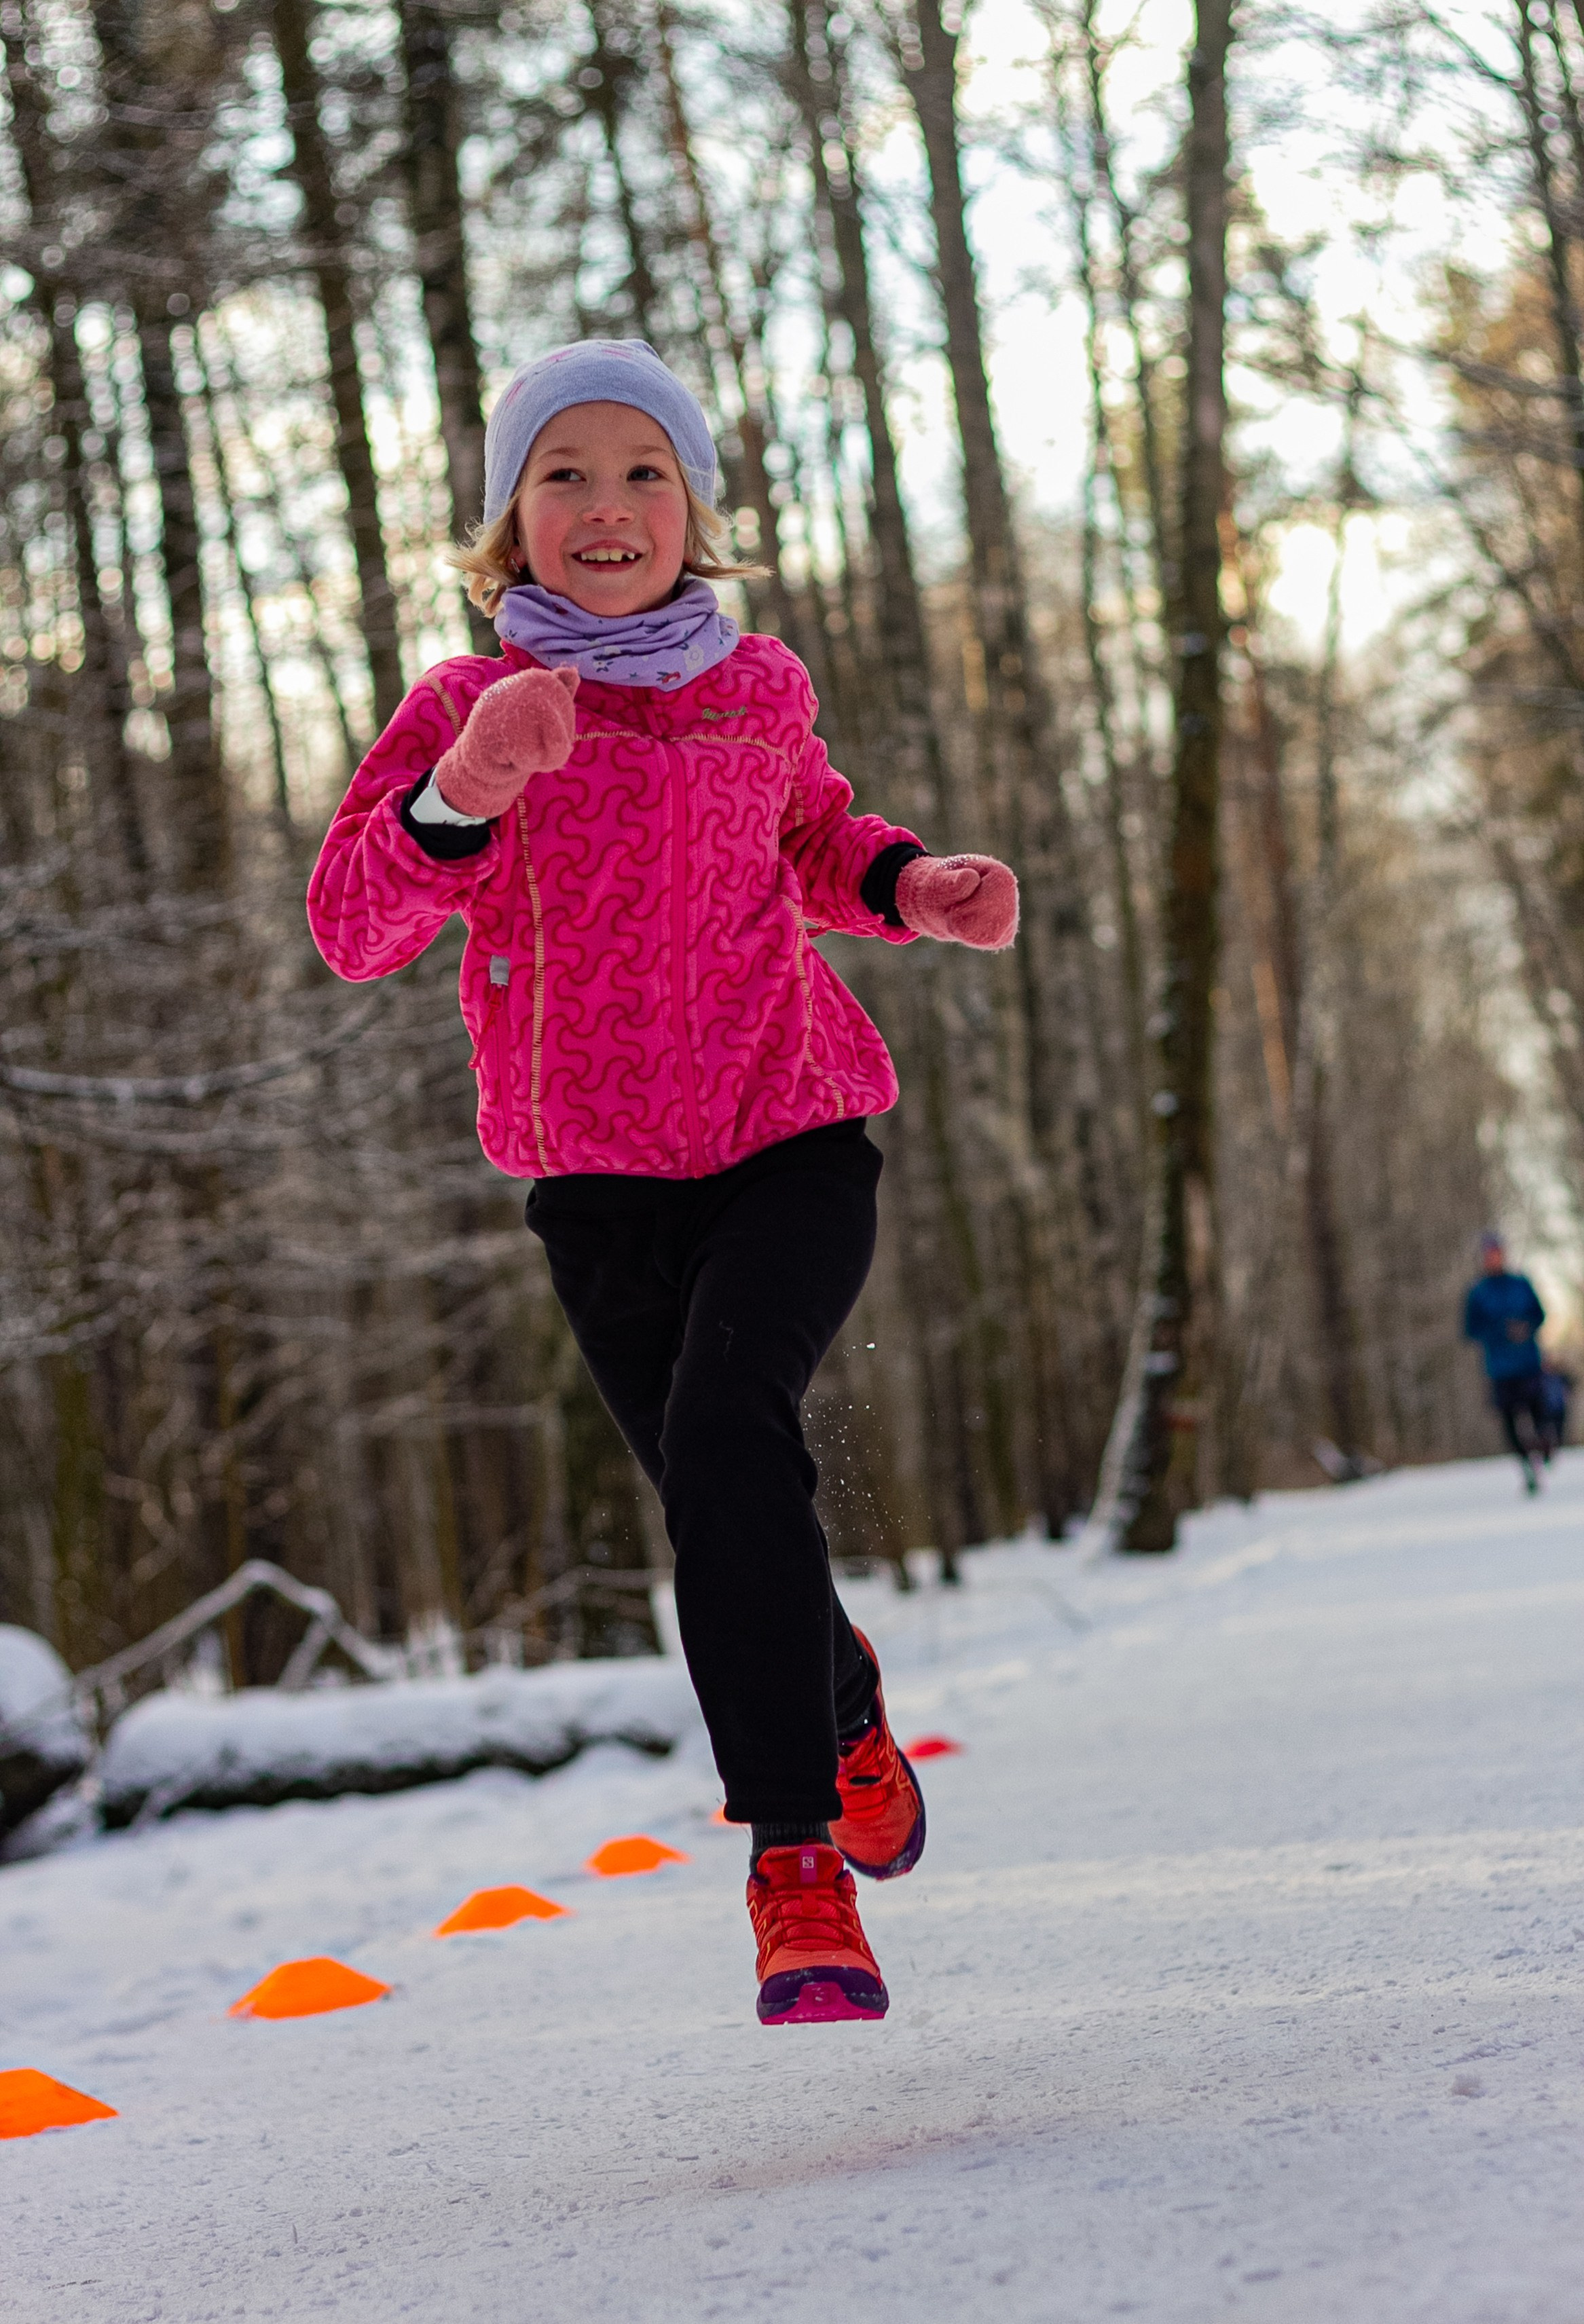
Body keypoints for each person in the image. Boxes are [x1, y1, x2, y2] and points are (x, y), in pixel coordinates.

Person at [307, 341, 1019, 2026]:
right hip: (597, 1184)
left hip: (790, 1128)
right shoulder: (456, 712)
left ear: (691, 504)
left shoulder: (756, 686)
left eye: (644, 472)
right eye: (564, 475)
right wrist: (466, 791)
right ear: (508, 520)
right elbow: (354, 923)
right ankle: (836, 1703)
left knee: (722, 1432)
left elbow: (809, 840)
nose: (607, 506)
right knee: (720, 1492)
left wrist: (913, 885)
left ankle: (793, 1868)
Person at [1462, 1232, 1547, 1492]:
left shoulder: (1521, 1284)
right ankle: (1526, 1467)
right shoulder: (1478, 1292)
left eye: (1497, 1253)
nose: (1494, 1258)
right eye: (1489, 1254)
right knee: (1510, 1421)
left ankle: (1543, 1450)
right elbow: (1470, 1330)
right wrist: (1501, 1331)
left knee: (1539, 1413)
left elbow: (1539, 1314)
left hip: (1529, 1363)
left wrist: (1526, 1327)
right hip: (1500, 1368)